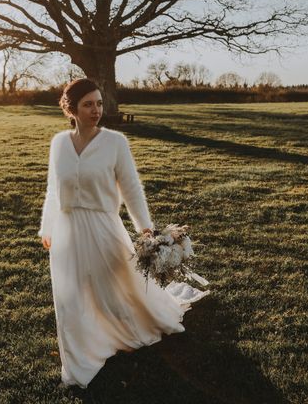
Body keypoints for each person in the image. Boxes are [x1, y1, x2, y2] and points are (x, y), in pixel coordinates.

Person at [38, 78, 210, 389]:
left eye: (99, 103)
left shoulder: (115, 142)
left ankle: (128, 330)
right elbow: (53, 189)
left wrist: (145, 226)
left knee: (117, 284)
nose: (96, 110)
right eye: (88, 104)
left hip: (103, 226)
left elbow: (131, 188)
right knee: (71, 295)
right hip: (67, 230)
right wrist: (47, 226)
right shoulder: (59, 143)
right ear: (72, 108)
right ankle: (80, 359)